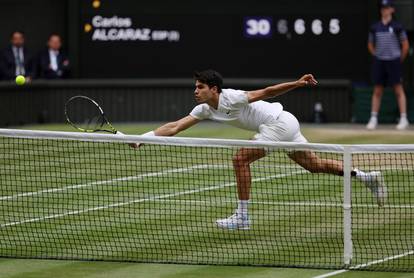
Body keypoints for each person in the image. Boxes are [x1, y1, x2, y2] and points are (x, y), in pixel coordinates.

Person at [137, 70, 387, 230]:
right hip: (286, 123)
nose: (195, 91)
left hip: (278, 123)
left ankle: (243, 217)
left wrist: (298, 83)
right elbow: (175, 126)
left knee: (240, 160)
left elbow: (267, 92)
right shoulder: (204, 109)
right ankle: (366, 177)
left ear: (214, 89)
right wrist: (142, 138)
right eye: (195, 87)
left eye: (200, 87)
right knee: (314, 165)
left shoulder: (232, 97)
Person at [366, 0, 410, 130]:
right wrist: (377, 55)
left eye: (387, 7)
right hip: (380, 62)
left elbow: (405, 45)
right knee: (377, 90)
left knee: (398, 90)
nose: (384, 10)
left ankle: (403, 118)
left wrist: (398, 58)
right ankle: (373, 118)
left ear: (392, 9)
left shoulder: (397, 26)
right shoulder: (375, 27)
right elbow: (370, 44)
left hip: (394, 61)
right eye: (382, 8)